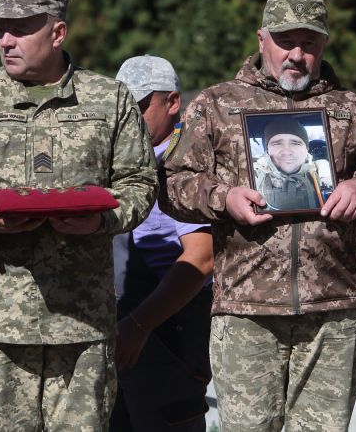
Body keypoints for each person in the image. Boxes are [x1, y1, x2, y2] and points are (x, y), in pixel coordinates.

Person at [162, 0, 356, 431]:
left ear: (324, 46)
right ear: (261, 40)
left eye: (309, 44)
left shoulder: (353, 110)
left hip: (333, 314)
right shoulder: (217, 105)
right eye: (285, 41)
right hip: (246, 314)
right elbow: (170, 186)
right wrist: (224, 198)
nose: (296, 55)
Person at [0, 0, 158, 431]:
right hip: (0, 330)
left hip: (82, 327)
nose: (5, 40)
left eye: (20, 28)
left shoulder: (109, 101)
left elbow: (140, 183)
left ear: (57, 32)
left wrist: (100, 221)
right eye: (0, 30)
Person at [110, 55, 214, 431]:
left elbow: (201, 260)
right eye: (119, 108)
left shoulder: (187, 165)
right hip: (122, 323)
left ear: (172, 103)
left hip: (167, 331)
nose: (126, 119)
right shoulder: (123, 160)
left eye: (138, 108)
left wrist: (140, 325)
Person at [252, 116, 332, 211]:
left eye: (296, 143)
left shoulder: (324, 172)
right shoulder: (254, 175)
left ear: (306, 149)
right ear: (267, 150)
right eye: (277, 143)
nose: (287, 151)